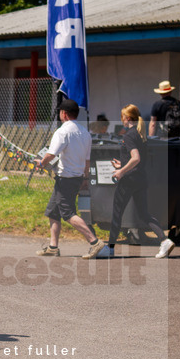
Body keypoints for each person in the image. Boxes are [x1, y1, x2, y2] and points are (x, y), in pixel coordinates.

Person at [35, 98, 105, 259]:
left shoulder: (62, 132)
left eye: (60, 111)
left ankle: (94, 242)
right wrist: (85, 178)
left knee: (67, 213)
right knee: (53, 211)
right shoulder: (85, 133)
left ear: (64, 114)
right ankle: (53, 247)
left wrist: (41, 163)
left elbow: (51, 154)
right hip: (76, 178)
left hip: (65, 178)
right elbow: (87, 160)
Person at [107, 105, 176, 259]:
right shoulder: (140, 135)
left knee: (117, 213)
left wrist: (121, 171)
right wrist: (122, 164)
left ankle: (110, 248)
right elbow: (136, 159)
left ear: (127, 118)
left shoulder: (129, 136)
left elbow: (136, 158)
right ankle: (164, 241)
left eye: (122, 117)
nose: (122, 120)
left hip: (129, 180)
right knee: (144, 214)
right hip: (140, 178)